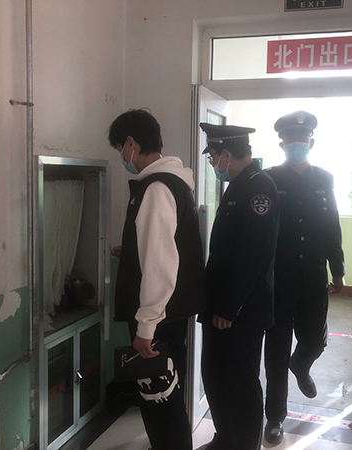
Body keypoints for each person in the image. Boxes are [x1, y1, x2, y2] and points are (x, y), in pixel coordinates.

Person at [109, 109, 206, 450]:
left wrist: (146, 326)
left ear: (131, 143)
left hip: (158, 319)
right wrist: (132, 252)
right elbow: (165, 247)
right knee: (166, 394)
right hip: (170, 313)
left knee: (159, 398)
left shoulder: (156, 188)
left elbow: (161, 265)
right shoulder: (172, 182)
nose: (122, 157)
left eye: (120, 149)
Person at [263, 111, 346, 445]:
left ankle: (301, 365)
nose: (297, 144)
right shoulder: (269, 179)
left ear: (311, 142)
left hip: (313, 277)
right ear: (282, 144)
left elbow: (332, 225)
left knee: (315, 341)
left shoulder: (325, 179)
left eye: (302, 139)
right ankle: (275, 418)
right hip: (278, 281)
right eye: (291, 139)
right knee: (276, 352)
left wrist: (338, 269)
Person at [196, 123, 279, 450]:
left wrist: (229, 308)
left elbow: (253, 255)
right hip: (222, 306)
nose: (213, 163)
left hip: (241, 311)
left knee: (241, 382)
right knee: (216, 376)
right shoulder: (240, 184)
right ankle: (225, 438)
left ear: (227, 155)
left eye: (214, 157)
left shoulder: (260, 188)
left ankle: (244, 444)